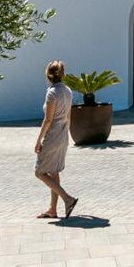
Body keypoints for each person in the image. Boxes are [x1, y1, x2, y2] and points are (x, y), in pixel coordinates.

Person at [34, 60, 79, 219]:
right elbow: (69, 116)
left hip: (52, 136)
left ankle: (68, 199)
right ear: (63, 74)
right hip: (63, 134)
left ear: (48, 75)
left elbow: (48, 119)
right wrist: (67, 134)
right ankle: (53, 209)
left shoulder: (51, 93)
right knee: (54, 171)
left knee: (39, 172)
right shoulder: (68, 91)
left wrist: (38, 140)